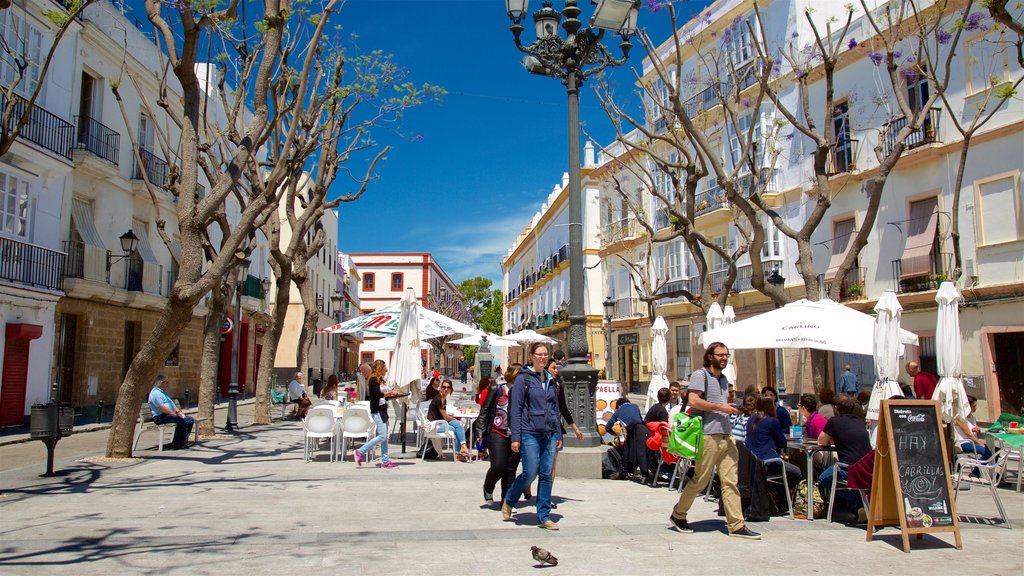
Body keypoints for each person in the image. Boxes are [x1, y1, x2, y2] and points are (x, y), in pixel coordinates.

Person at [669, 342, 761, 540]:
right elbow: (693, 401)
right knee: (700, 480)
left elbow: (720, 404)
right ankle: (678, 514)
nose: (724, 358)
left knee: (730, 482)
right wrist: (721, 408)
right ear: (710, 356)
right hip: (708, 434)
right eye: (720, 355)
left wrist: (731, 407)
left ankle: (736, 525)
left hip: (726, 436)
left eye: (726, 355)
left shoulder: (724, 378)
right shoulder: (700, 375)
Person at [502, 342, 562, 530]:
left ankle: (543, 515)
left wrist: (558, 432)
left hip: (549, 432)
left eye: (546, 354)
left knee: (546, 474)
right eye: (539, 354)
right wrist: (515, 437)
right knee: (530, 472)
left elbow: (555, 408)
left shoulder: (551, 380)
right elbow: (516, 409)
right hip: (529, 432)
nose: (543, 357)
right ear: (532, 357)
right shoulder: (523, 380)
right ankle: (510, 498)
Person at [817, 394, 872, 519]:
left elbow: (821, 441)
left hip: (849, 468)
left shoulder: (834, 421)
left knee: (824, 479)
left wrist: (832, 439)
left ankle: (858, 504)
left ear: (836, 408)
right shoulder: (859, 422)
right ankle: (860, 506)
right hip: (866, 467)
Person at [480, 364, 522, 503]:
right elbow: (484, 411)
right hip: (497, 432)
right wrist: (480, 431)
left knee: (510, 470)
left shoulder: (523, 393)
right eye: (518, 376)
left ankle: (506, 503)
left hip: (516, 435)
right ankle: (488, 487)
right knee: (498, 466)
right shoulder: (497, 389)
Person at [745, 392, 802, 486]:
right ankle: (784, 498)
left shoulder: (751, 419)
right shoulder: (772, 421)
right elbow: (782, 443)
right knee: (797, 472)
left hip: (752, 463)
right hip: (769, 462)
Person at [354, 360, 404, 469]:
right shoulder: (373, 380)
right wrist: (390, 393)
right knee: (381, 435)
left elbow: (383, 396)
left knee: (385, 437)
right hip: (376, 410)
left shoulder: (381, 380)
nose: (386, 369)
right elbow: (377, 394)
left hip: (383, 409)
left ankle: (385, 462)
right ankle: (360, 452)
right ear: (379, 368)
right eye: (384, 367)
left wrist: (395, 396)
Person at [428, 379, 472, 462]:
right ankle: (460, 451)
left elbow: (444, 416)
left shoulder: (443, 398)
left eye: (448, 387)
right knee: (456, 427)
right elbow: (445, 416)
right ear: (441, 388)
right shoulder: (439, 399)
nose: (446, 389)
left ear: (451, 389)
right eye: (444, 387)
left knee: (458, 425)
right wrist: (455, 419)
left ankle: (461, 449)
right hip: (434, 425)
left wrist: (454, 419)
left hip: (440, 423)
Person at [148, 375, 194, 450]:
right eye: (166, 382)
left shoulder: (163, 392)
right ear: (161, 383)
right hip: (160, 417)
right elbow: (161, 407)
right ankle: (177, 443)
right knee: (179, 420)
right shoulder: (155, 393)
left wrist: (178, 412)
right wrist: (173, 413)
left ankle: (182, 441)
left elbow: (171, 404)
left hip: (168, 415)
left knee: (189, 419)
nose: (168, 384)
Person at [955, 395, 992, 461]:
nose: (975, 408)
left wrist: (977, 430)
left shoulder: (972, 417)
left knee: (995, 451)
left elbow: (974, 430)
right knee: (987, 453)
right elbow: (969, 435)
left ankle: (985, 469)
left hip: (973, 442)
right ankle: (976, 471)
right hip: (964, 443)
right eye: (974, 406)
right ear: (968, 406)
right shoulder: (960, 417)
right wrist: (980, 443)